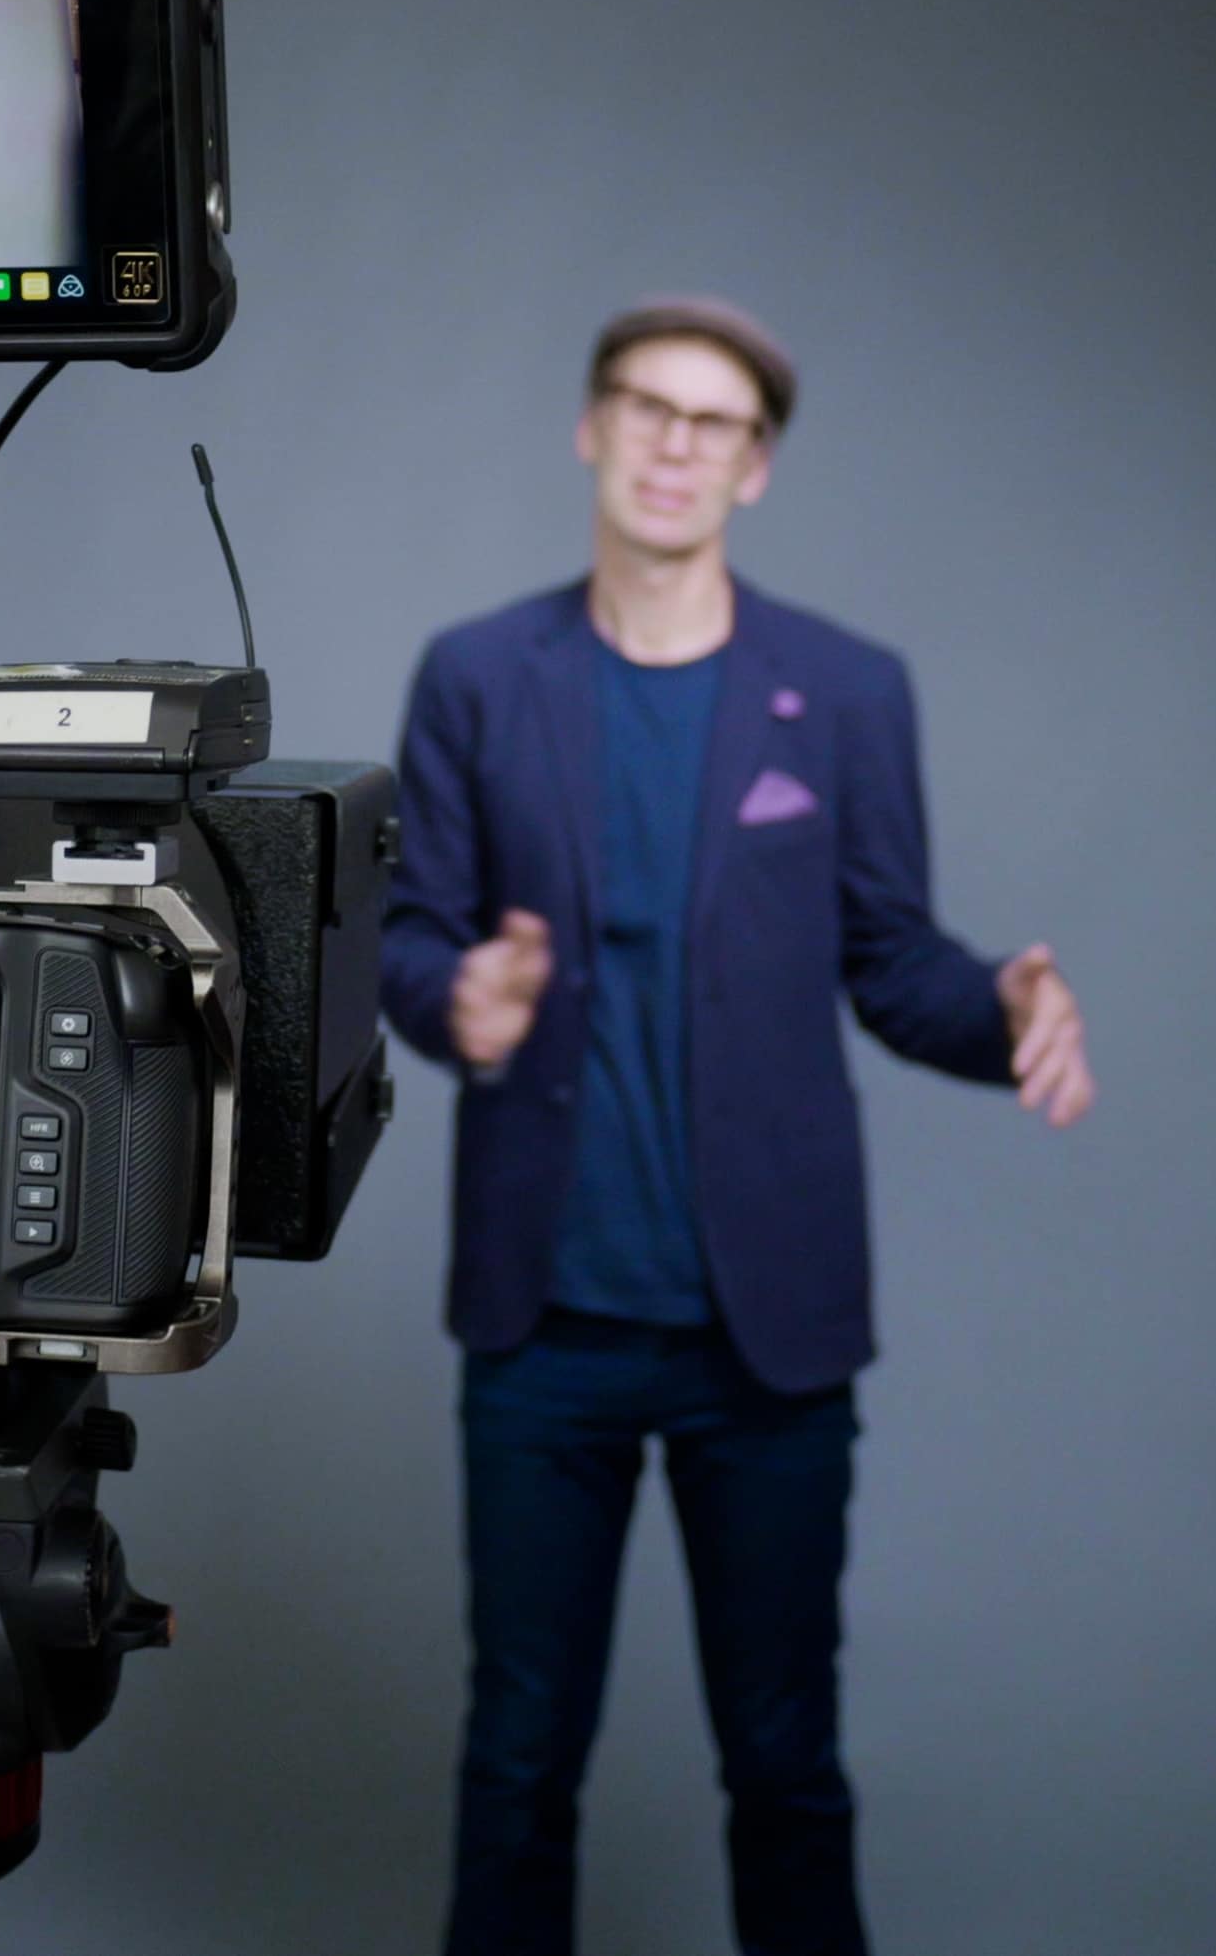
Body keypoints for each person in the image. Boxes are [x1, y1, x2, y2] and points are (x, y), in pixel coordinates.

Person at [382, 299, 1094, 1956]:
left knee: (785, 1763)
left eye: (714, 422)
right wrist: (452, 999)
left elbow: (891, 959)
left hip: (764, 1340)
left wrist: (1001, 1005)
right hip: (542, 1320)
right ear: (591, 428)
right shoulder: (481, 676)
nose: (674, 442)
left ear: (756, 467)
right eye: (645, 406)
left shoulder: (842, 693)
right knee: (517, 1757)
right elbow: (414, 936)